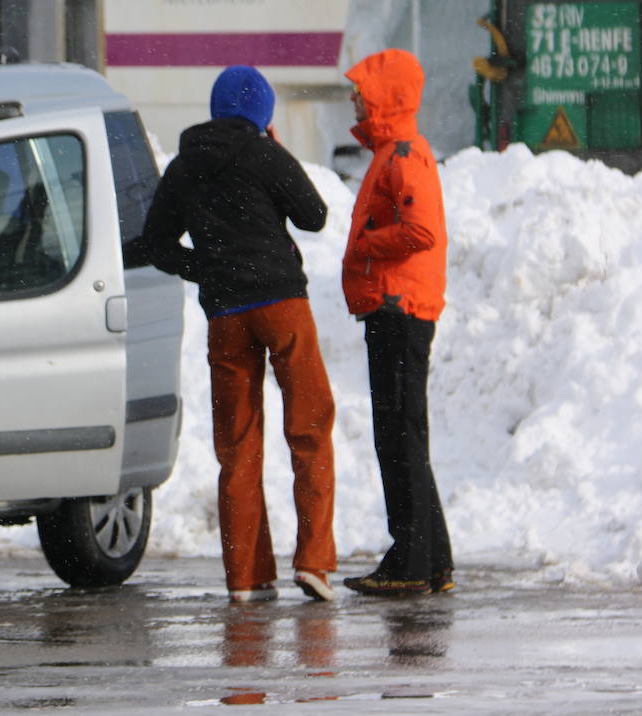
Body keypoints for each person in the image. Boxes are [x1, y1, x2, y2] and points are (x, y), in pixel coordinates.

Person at [131, 65, 338, 603]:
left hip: (227, 316)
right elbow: (314, 216)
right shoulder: (264, 155)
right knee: (309, 427)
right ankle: (313, 562)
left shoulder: (184, 166)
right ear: (263, 115)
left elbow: (156, 243)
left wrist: (208, 266)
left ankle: (246, 577)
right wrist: (276, 153)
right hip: (282, 306)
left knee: (238, 447)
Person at [340, 49, 454, 597]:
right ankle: (433, 560)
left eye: (363, 93)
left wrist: (367, 244)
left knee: (399, 436)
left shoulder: (404, 154)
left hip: (398, 310)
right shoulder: (394, 151)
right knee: (404, 434)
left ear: (385, 97)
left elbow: (421, 230)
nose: (356, 101)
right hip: (397, 309)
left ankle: (410, 561)